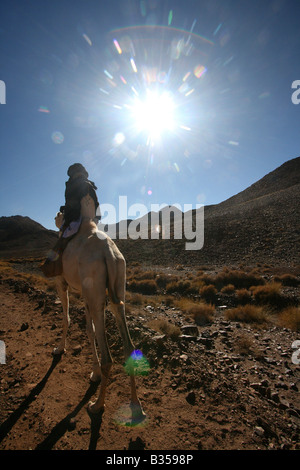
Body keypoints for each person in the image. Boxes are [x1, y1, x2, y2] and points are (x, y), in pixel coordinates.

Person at [40, 163, 100, 277]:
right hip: (93, 221)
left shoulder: (73, 186)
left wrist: (65, 212)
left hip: (76, 221)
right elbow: (96, 205)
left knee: (60, 244)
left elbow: (72, 205)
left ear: (72, 174)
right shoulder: (90, 186)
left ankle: (53, 270)